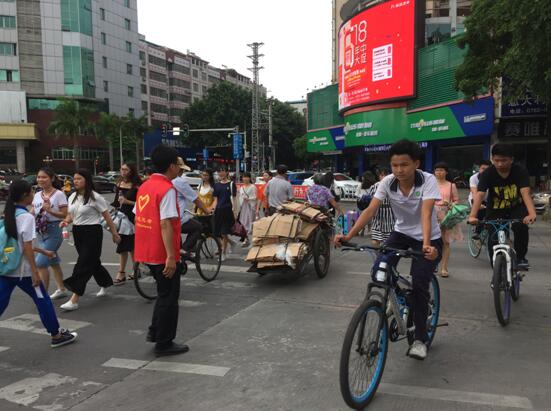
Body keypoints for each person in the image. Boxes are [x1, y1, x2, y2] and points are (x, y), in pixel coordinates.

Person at [335, 139, 442, 361]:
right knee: (379, 271)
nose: (399, 170)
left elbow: (426, 213)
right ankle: (399, 300)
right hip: (401, 233)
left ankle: (420, 338)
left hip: (428, 237)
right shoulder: (388, 182)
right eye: (395, 165)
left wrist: (426, 246)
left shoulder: (428, 180)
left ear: (416, 163)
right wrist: (348, 236)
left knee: (419, 283)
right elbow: (370, 211)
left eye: (404, 164)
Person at [0, 180, 77, 348]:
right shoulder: (26, 217)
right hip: (24, 271)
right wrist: (35, 272)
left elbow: (18, 244)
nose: (32, 195)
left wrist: (44, 252)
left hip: (6, 267)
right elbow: (27, 246)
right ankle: (56, 335)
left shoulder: (8, 214)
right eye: (31, 192)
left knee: (1, 301)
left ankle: (56, 334)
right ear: (24, 195)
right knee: (43, 300)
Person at [134, 145, 188, 356]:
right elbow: (166, 224)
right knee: (169, 297)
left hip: (146, 249)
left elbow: (139, 215)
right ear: (172, 166)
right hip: (161, 252)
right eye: (178, 165)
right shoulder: (166, 189)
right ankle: (164, 342)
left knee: (162, 293)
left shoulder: (145, 186)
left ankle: (155, 332)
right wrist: (172, 256)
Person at [59, 169, 121, 311]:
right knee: (92, 262)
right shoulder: (72, 196)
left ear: (86, 180)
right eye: (74, 179)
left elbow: (107, 217)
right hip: (78, 231)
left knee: (83, 264)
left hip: (92, 232)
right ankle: (105, 283)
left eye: (79, 179)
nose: (75, 181)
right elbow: (71, 215)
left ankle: (74, 299)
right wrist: (66, 221)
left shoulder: (95, 197)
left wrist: (114, 233)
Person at [468, 143, 537, 268]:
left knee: (520, 227)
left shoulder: (519, 171)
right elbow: (480, 194)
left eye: (504, 160)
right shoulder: (488, 173)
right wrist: (473, 216)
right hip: (495, 209)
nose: (500, 164)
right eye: (496, 160)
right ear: (492, 159)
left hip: (516, 207)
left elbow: (525, 192)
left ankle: (520, 258)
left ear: (511, 159)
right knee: (493, 236)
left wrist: (532, 213)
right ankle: (496, 267)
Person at [32, 168, 69, 299]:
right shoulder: (37, 194)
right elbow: (33, 211)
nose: (40, 179)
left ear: (51, 178)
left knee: (40, 263)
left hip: (54, 230)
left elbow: (64, 214)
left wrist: (50, 211)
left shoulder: (59, 194)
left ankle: (42, 296)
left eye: (44, 177)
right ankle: (61, 289)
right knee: (53, 261)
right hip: (40, 231)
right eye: (39, 177)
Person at [172, 157, 210, 257]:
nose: (182, 172)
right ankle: (185, 250)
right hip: (176, 219)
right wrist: (206, 211)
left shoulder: (164, 180)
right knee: (198, 227)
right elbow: (196, 199)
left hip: (162, 219)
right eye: (182, 170)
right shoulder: (179, 181)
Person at [111, 163, 141, 285]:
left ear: (131, 171)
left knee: (130, 246)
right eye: (121, 169)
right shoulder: (119, 184)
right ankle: (131, 270)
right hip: (121, 218)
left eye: (125, 169)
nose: (122, 171)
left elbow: (142, 203)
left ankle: (128, 271)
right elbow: (116, 202)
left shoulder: (137, 185)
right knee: (124, 245)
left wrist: (128, 201)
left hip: (133, 217)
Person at [433, 162, 462, 278]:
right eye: (437, 170)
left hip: (446, 215)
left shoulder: (451, 185)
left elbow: (456, 201)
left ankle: (444, 268)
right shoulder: (430, 184)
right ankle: (432, 264)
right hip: (432, 214)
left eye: (441, 170)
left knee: (446, 242)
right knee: (432, 241)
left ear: (446, 172)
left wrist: (450, 204)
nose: (439, 172)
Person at [366, 169, 396, 247]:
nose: (383, 177)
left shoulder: (394, 186)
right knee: (376, 240)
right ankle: (378, 253)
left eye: (385, 175)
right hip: (378, 216)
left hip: (390, 217)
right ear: (379, 176)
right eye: (382, 175)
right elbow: (370, 199)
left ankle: (383, 253)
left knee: (388, 240)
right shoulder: (375, 186)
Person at [212, 167, 237, 261]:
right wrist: (212, 209)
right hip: (218, 211)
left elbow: (234, 199)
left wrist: (235, 212)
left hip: (228, 211)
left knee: (224, 232)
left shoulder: (231, 184)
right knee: (218, 233)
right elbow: (215, 199)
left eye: (223, 171)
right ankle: (231, 243)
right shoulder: (216, 185)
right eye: (219, 171)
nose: (221, 173)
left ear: (227, 172)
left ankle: (223, 253)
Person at [468, 160, 491, 236]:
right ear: (479, 169)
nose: (485, 171)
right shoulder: (473, 178)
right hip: (476, 198)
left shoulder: (493, 176)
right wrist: (478, 204)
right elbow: (474, 192)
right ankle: (477, 232)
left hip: (489, 198)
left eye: (487, 169)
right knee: (480, 211)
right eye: (483, 168)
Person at [238, 172, 258, 247]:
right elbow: (239, 197)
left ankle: (253, 239)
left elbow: (255, 197)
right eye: (244, 177)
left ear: (249, 178)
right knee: (243, 222)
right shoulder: (241, 187)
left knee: (250, 222)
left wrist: (249, 199)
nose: (245, 179)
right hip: (243, 207)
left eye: (247, 177)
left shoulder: (253, 187)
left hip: (250, 207)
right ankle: (246, 239)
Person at [196, 169, 216, 233]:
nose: (204, 177)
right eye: (203, 175)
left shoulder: (213, 187)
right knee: (199, 232)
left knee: (210, 232)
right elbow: (197, 198)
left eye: (206, 175)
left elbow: (215, 200)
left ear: (210, 176)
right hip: (199, 213)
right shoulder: (199, 186)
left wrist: (212, 209)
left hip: (208, 214)